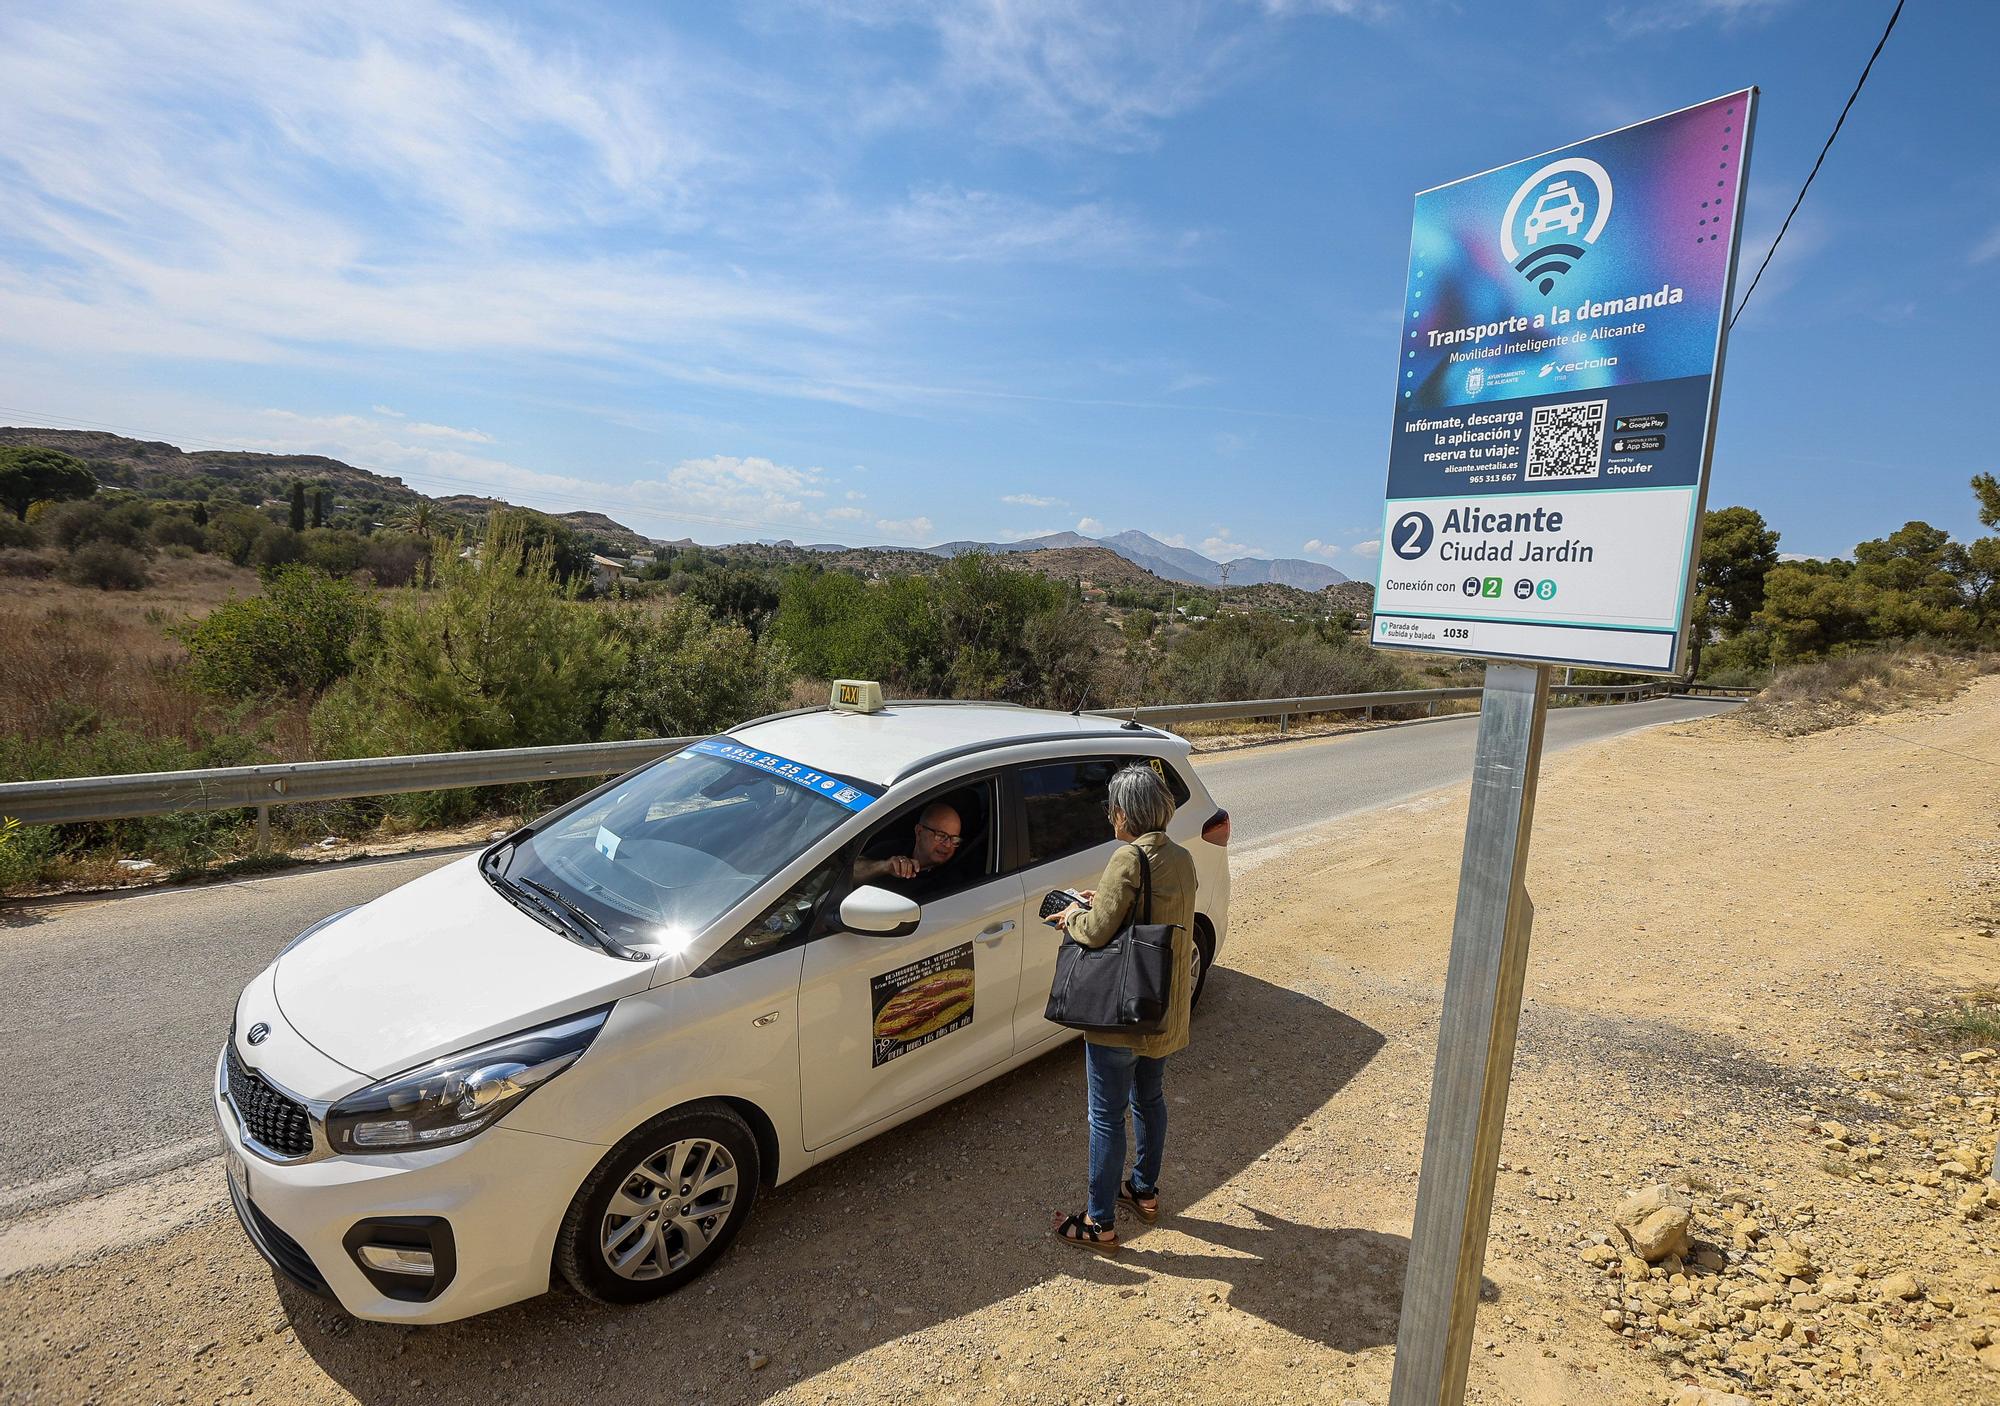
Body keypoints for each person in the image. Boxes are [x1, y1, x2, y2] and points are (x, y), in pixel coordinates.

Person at [1048, 764, 1198, 1251]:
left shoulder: (1127, 858)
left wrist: (1072, 914)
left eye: (1112, 806)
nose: (1110, 814)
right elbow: (1152, 915)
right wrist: (1101, 903)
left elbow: (1095, 932)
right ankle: (1145, 1191)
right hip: (1162, 1009)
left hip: (1122, 1014)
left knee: (1107, 1117)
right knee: (1149, 1101)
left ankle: (1099, 1221)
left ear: (1125, 812)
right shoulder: (1181, 857)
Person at [853, 801, 963, 893]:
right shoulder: (893, 847)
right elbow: (849, 873)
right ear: (919, 832)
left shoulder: (952, 882)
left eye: (954, 839)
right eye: (941, 836)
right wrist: (884, 867)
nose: (948, 845)